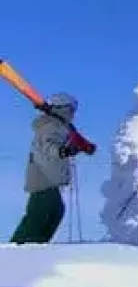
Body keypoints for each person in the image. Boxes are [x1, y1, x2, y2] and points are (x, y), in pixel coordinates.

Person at [10, 93, 97, 244]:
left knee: (55, 210)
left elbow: (76, 138)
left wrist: (86, 147)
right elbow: (48, 144)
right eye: (71, 109)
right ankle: (18, 246)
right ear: (62, 108)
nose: (73, 113)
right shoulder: (50, 125)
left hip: (49, 177)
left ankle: (36, 243)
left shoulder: (63, 126)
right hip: (42, 176)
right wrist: (62, 151)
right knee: (41, 212)